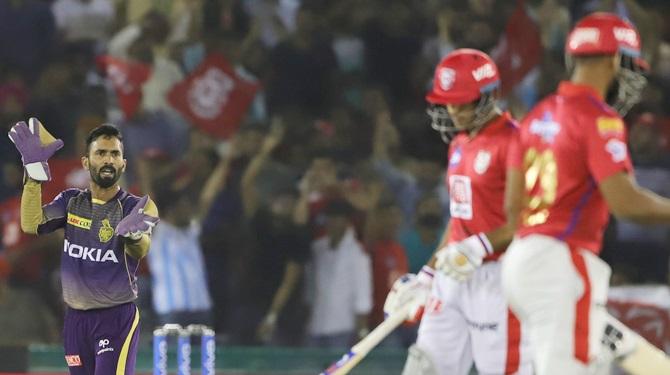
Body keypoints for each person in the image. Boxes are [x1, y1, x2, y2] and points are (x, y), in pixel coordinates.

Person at [499, 13, 669, 375]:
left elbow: (512, 206)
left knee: (629, 359)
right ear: (613, 60)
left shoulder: (535, 116)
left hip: (520, 261)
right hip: (560, 262)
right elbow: (626, 203)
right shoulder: (598, 117)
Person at [384, 49, 532, 375]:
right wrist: (428, 274)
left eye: (462, 101)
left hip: (499, 278)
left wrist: (477, 247)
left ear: (488, 95)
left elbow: (526, 217)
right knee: (426, 367)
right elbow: (459, 220)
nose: (453, 110)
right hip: (453, 275)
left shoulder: (516, 141)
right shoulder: (459, 145)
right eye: (448, 101)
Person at [10, 120, 159, 374]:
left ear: (124, 163)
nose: (108, 159)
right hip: (76, 320)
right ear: (86, 162)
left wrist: (133, 235)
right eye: (100, 153)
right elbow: (31, 224)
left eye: (115, 154)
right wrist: (34, 173)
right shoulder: (71, 202)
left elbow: (141, 249)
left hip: (115, 318)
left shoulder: (137, 206)